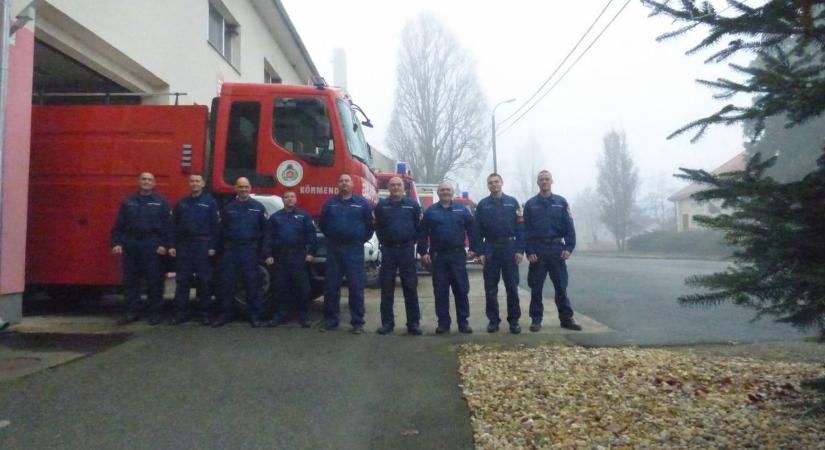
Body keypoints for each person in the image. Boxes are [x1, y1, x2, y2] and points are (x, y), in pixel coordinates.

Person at [523, 170, 582, 332]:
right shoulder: (530, 205)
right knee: (536, 288)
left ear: (552, 181)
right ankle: (536, 320)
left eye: (547, 179)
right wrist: (529, 251)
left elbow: (570, 228)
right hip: (538, 250)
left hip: (557, 249)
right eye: (541, 179)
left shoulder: (561, 202)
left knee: (561, 287)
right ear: (537, 182)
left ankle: (566, 319)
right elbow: (525, 231)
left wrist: (569, 247)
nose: (544, 182)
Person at [110, 172, 172, 326]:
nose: (146, 182)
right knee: (130, 281)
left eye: (149, 179)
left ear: (154, 183)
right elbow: (119, 225)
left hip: (152, 245)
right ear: (138, 182)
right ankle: (131, 312)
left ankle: (155, 313)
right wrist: (116, 243)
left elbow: (169, 226)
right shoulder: (128, 202)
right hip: (131, 244)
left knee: (154, 281)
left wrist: (165, 244)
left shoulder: (161, 202)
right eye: (143, 179)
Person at [418, 181, 478, 334]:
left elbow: (472, 230)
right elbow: (422, 233)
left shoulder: (462, 210)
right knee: (440, 291)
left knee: (461, 289)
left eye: (448, 190)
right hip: (439, 257)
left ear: (452, 192)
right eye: (443, 190)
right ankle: (443, 323)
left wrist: (474, 248)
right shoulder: (430, 211)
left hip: (457, 255)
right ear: (438, 192)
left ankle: (463, 322)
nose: (445, 192)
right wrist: (423, 251)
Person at [318, 173, 374, 334]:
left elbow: (369, 226)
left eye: (347, 181)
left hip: (354, 250)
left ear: (352, 184)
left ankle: (357, 322)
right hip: (334, 249)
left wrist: (359, 239)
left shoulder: (362, 204)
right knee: (331, 286)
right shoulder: (330, 204)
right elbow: (323, 225)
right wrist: (334, 237)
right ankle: (331, 320)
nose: (344, 183)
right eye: (341, 181)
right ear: (337, 184)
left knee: (356, 287)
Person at [212, 177, 267, 328]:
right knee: (227, 283)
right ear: (235, 188)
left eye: (246, 187)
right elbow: (221, 230)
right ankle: (225, 314)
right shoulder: (228, 207)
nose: (243, 189)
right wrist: (216, 248)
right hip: (231, 249)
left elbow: (264, 231)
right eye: (240, 187)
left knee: (252, 283)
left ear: (251, 188)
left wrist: (262, 251)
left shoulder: (258, 207)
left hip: (249, 249)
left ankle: (254, 315)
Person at [168, 174, 220, 325]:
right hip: (184, 245)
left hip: (203, 245)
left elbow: (216, 227)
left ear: (203, 184)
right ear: (189, 184)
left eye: (198, 181)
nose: (195, 184)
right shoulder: (182, 203)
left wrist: (212, 246)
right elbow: (173, 226)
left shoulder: (210, 203)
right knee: (182, 280)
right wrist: (172, 245)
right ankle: (181, 313)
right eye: (192, 181)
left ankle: (205, 313)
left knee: (204, 281)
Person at [374, 176, 422, 335]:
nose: (395, 187)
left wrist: (411, 241)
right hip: (388, 251)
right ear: (388, 187)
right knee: (387, 288)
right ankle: (387, 323)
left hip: (407, 251)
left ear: (404, 188)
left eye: (398, 185)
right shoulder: (381, 206)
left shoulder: (413, 206)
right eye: (392, 185)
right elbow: (378, 227)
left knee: (410, 287)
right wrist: (385, 241)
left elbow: (418, 227)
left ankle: (413, 323)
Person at [476, 173, 524, 334]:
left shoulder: (512, 203)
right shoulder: (482, 205)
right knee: (490, 288)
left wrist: (519, 250)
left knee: (512, 287)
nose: (494, 185)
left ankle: (514, 321)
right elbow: (477, 231)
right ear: (487, 185)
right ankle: (493, 321)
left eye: (496, 182)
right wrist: (481, 252)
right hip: (490, 247)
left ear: (502, 183)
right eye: (490, 183)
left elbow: (520, 228)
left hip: (509, 247)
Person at [263, 189, 317, 328]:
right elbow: (268, 238)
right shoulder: (275, 218)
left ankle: (304, 316)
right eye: (286, 197)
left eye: (292, 196)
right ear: (283, 200)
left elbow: (311, 236)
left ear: (296, 199)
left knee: (302, 288)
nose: (289, 199)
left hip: (298, 257)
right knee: (281, 288)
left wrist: (311, 252)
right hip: (280, 257)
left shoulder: (304, 216)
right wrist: (268, 254)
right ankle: (280, 315)